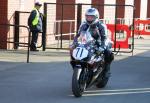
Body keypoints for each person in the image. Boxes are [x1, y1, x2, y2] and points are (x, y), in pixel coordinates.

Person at [71, 8, 114, 77]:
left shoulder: (101, 25)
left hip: (99, 43)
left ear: (96, 17)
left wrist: (102, 47)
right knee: (73, 50)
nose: (89, 18)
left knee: (108, 52)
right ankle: (77, 68)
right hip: (88, 43)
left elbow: (104, 37)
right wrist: (74, 43)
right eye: (87, 16)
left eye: (91, 17)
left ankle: (106, 70)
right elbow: (78, 35)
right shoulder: (84, 25)